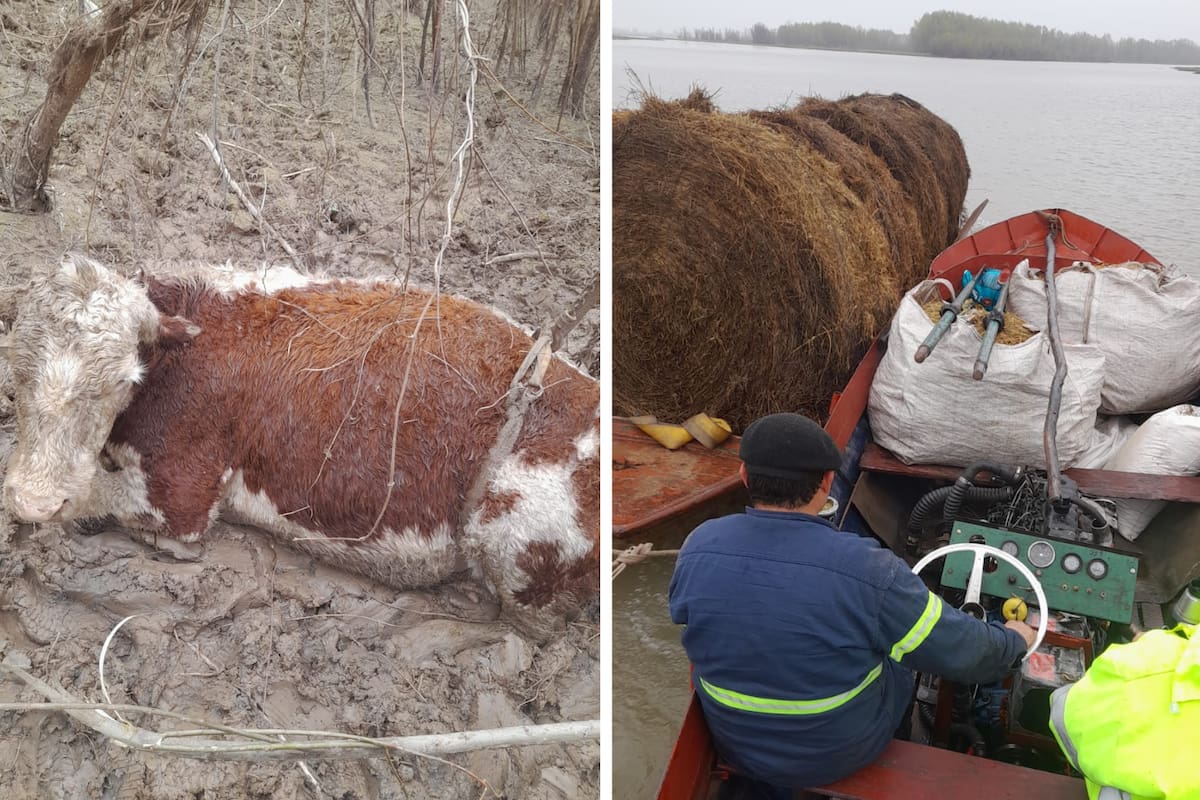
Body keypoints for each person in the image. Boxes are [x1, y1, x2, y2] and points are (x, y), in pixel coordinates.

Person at [668, 412, 1036, 793]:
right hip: (838, 752)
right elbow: (959, 650)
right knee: (900, 660)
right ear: (827, 482)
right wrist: (1013, 639)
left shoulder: (699, 544)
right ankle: (907, 737)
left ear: (744, 475)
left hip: (738, 744)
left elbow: (686, 619)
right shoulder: (870, 569)